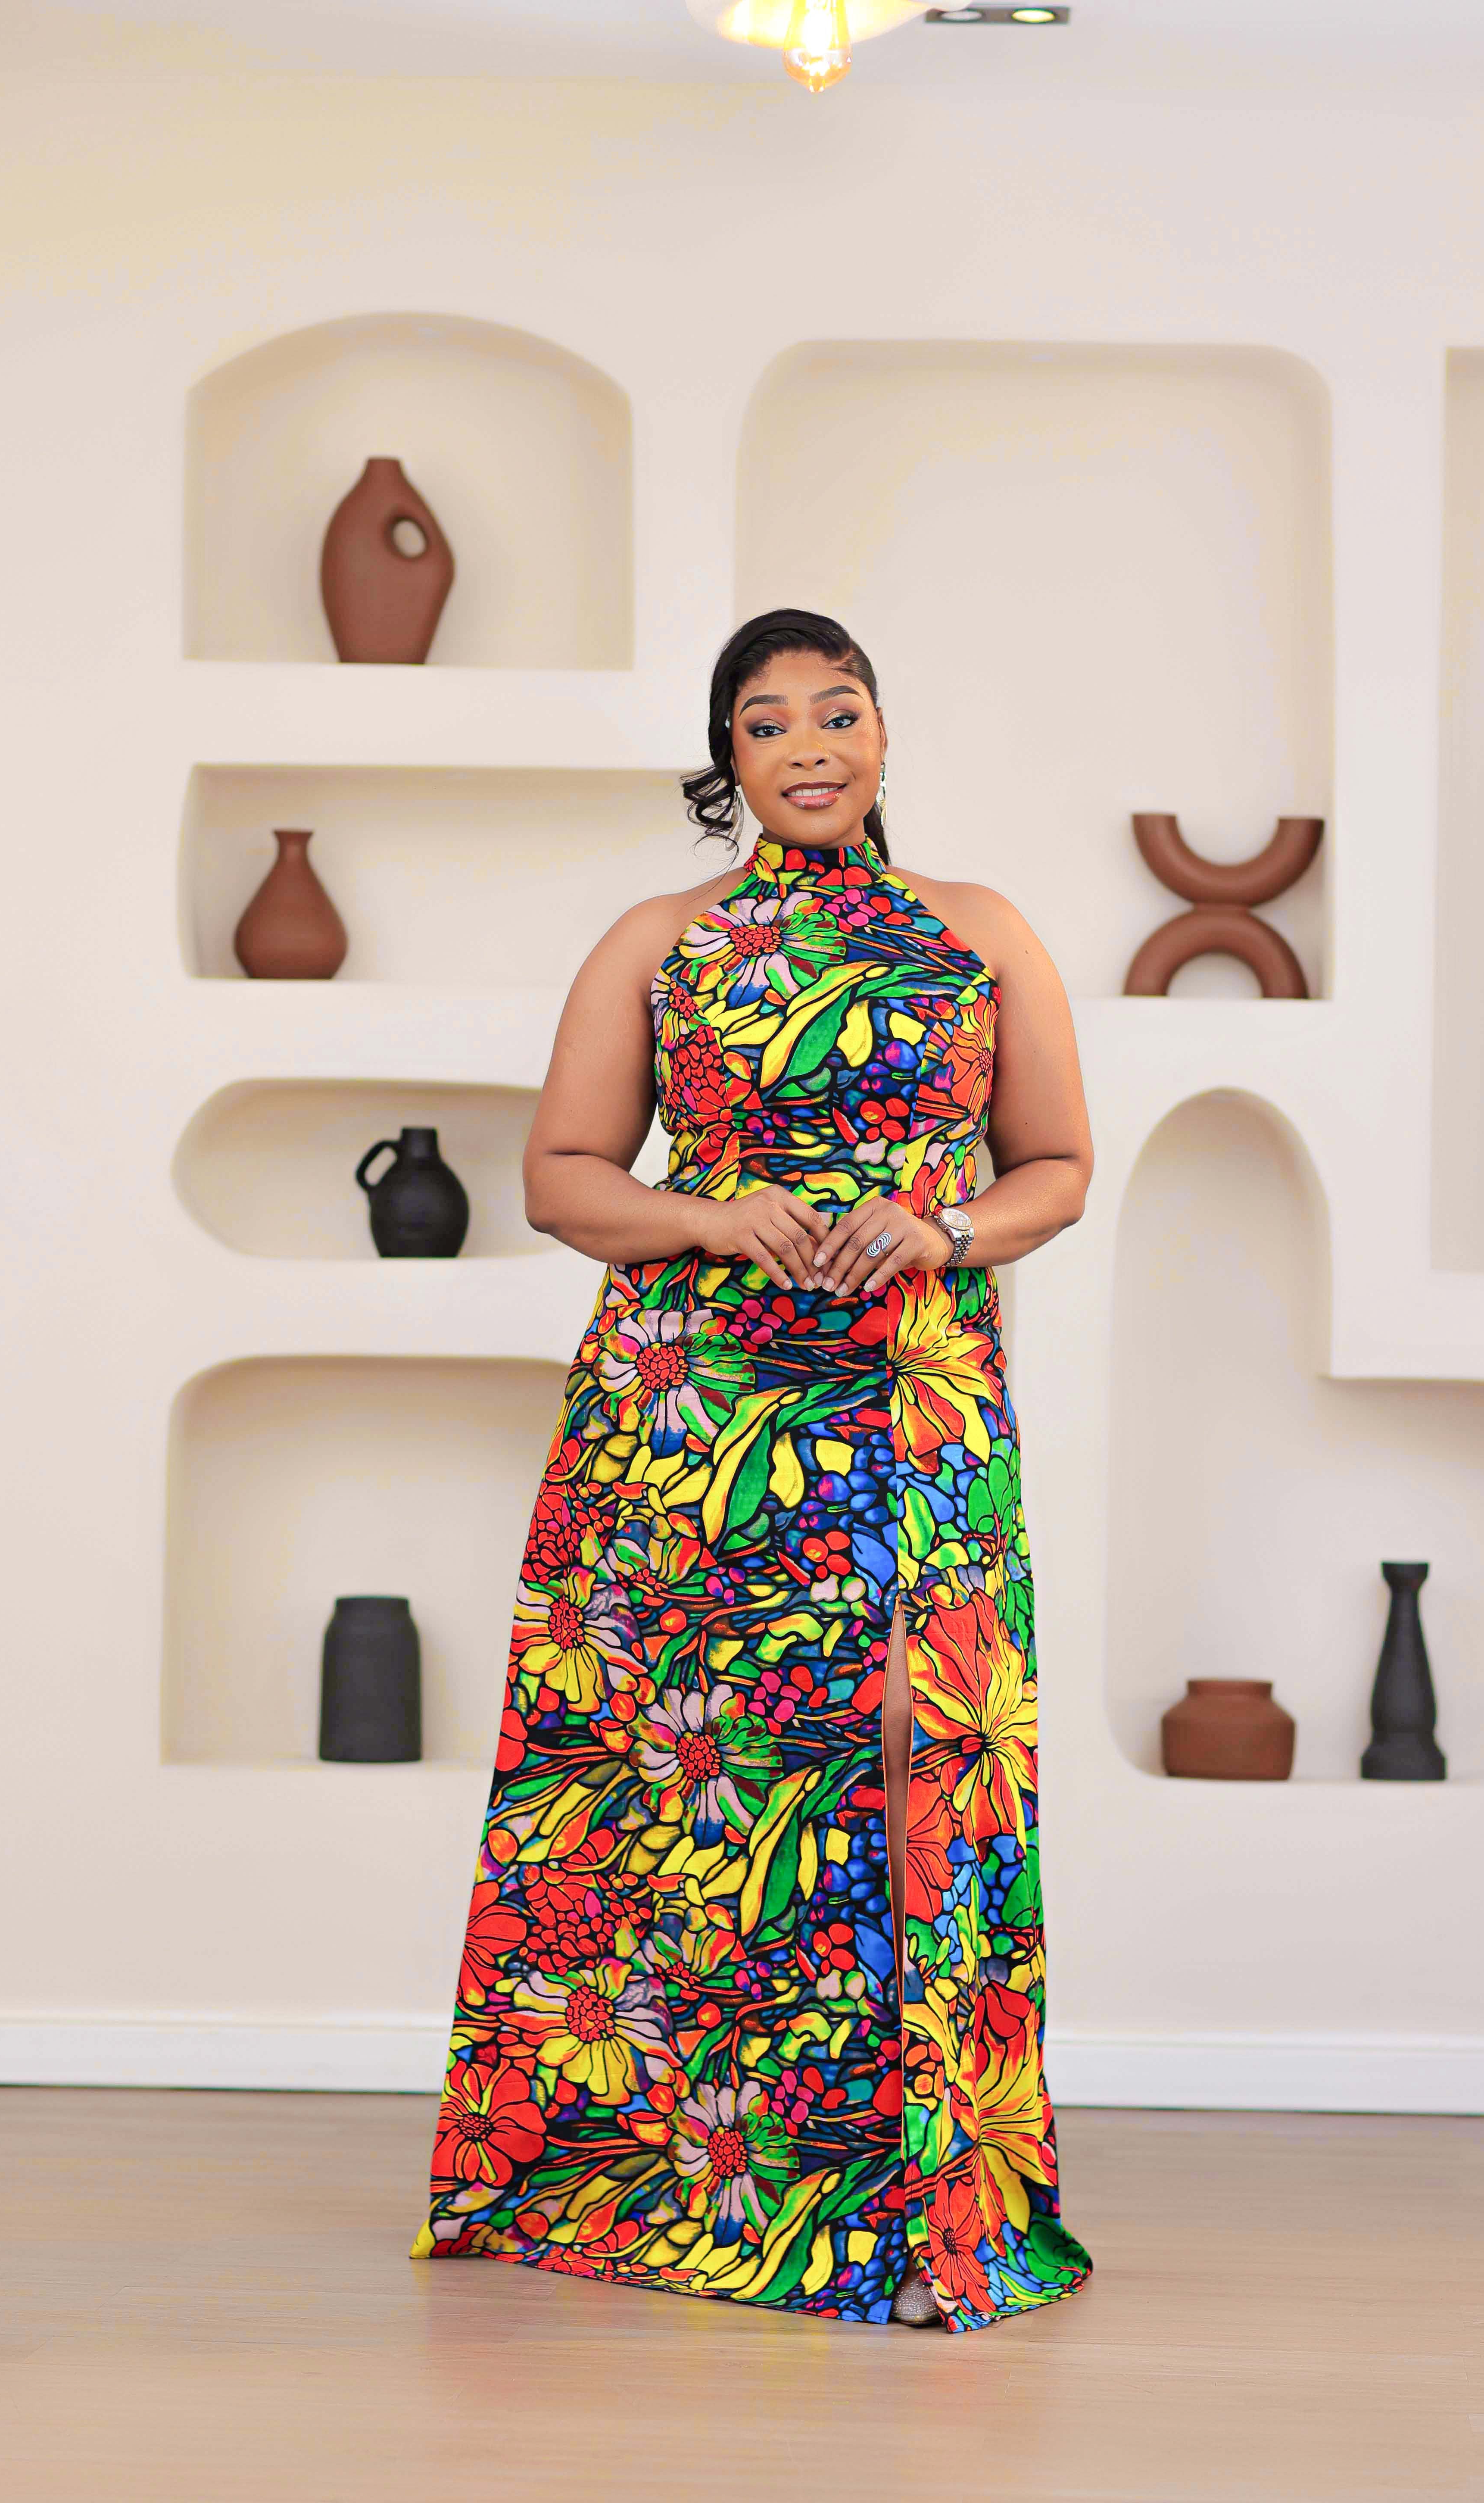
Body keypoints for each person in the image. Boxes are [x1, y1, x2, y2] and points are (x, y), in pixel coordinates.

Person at [412, 608, 1095, 2331]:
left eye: (836, 711)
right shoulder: (662, 939)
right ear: (728, 759)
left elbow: (1059, 1169)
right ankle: (689, 2178)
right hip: (691, 1419)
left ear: (881, 736)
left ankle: (920, 2202)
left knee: (907, 1759)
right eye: (767, 720)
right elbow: (563, 1177)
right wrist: (717, 1216)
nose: (805, 743)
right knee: (693, 1793)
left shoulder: (979, 931)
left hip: (907, 1400)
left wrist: (935, 1225)